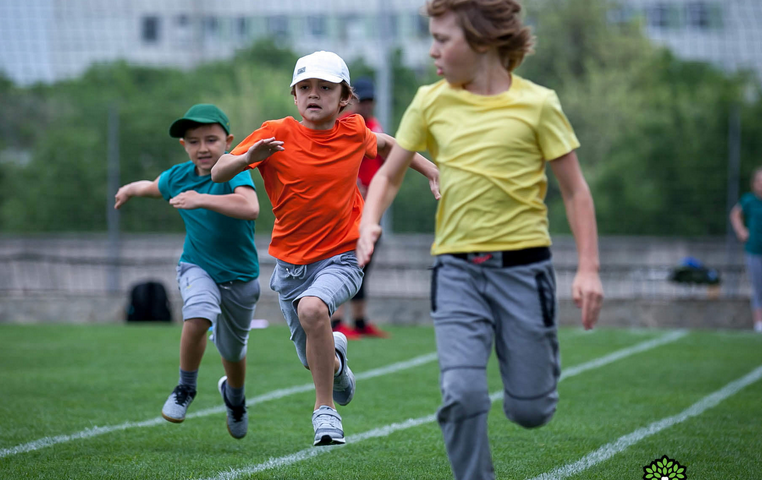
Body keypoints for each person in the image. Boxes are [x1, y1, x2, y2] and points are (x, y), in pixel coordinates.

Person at [356, 1, 604, 478]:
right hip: (456, 272)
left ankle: (536, 377)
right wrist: (369, 221)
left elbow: (576, 191)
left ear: (483, 40)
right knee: (462, 394)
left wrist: (589, 268)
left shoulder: (538, 104)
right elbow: (388, 175)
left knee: (531, 411)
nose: (433, 51)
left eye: (443, 40)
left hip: (525, 272)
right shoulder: (430, 101)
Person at [211, 51, 440, 446]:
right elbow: (218, 171)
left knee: (313, 309)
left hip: (344, 255)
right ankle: (336, 365)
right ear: (295, 96)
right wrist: (249, 157)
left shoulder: (353, 132)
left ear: (344, 98)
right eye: (305, 88)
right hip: (291, 267)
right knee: (311, 356)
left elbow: (387, 146)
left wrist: (432, 170)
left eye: (324, 88)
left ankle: (325, 413)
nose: (313, 94)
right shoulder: (276, 132)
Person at [114, 104, 261, 439]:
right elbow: (151, 186)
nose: (203, 148)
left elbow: (250, 207)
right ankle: (185, 388)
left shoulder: (234, 170)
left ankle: (235, 401)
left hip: (241, 277)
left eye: (211, 139)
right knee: (198, 314)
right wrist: (130, 190)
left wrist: (202, 199)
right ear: (184, 146)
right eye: (193, 141)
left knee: (233, 351)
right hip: (197, 266)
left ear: (228, 141)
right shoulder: (178, 177)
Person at [331, 76, 391, 339]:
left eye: (369, 100)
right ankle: (336, 321)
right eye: (361, 100)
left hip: (371, 207)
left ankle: (359, 320)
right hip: (350, 206)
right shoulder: (345, 125)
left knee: (364, 263)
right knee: (347, 260)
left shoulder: (374, 125)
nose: (366, 105)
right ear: (350, 100)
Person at [730, 166, 762, 333]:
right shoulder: (749, 200)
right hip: (754, 250)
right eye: (759, 181)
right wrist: (741, 231)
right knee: (758, 287)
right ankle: (759, 323)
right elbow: (734, 214)